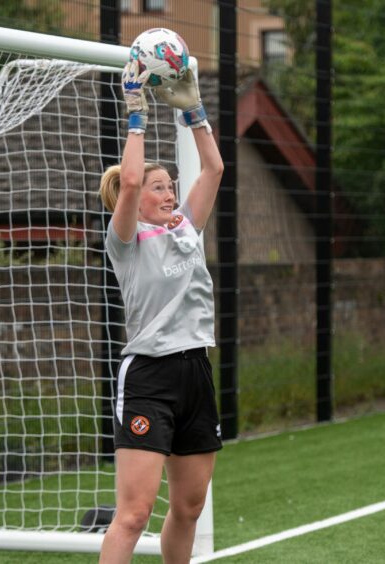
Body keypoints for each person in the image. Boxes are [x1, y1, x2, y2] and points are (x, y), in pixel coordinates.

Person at [97, 59, 224, 564]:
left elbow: (213, 168)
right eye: (159, 187)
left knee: (189, 507)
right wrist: (136, 112)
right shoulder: (125, 240)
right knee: (133, 514)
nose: (169, 191)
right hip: (149, 375)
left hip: (196, 370)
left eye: (170, 184)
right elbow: (127, 182)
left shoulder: (185, 227)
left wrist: (194, 110)